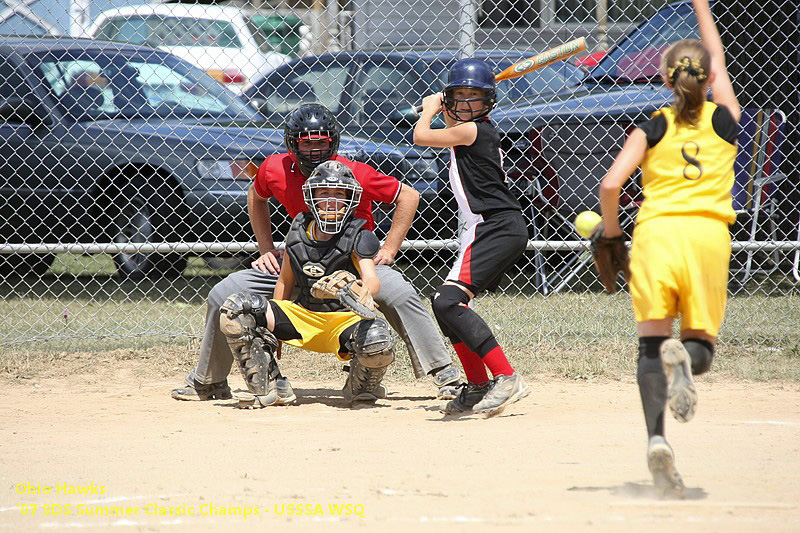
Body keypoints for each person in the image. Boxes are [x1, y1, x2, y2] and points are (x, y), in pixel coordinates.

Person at [172, 103, 461, 402]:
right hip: (299, 262)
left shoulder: (352, 173)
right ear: (291, 143)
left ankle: (444, 374)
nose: (313, 149)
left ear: (332, 141)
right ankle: (209, 382)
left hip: (354, 263)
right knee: (225, 292)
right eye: (305, 142)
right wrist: (266, 249)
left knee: (399, 293)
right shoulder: (275, 167)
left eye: (320, 141)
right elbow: (256, 196)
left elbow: (408, 195)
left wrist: (389, 248)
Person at [597, 0, 740, 498]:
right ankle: (688, 360)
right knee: (697, 344)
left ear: (664, 79)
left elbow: (611, 186)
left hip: (656, 235)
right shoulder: (726, 120)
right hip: (707, 238)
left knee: (649, 346)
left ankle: (658, 438)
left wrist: (612, 235)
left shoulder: (650, 127)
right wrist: (702, 6)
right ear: (706, 80)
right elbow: (717, 61)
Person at [219, 161, 395, 407]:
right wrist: (273, 329)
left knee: (378, 336)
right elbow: (284, 281)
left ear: (350, 199)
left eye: (339, 194)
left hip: (342, 321)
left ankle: (360, 387)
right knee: (237, 309)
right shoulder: (298, 231)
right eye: (324, 193)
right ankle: (271, 386)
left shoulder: (358, 234)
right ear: (312, 197)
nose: (331, 200)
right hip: (302, 316)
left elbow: (372, 280)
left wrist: (359, 289)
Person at [414, 59, 530, 417]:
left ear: (488, 102)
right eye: (459, 97)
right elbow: (453, 129)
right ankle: (478, 385)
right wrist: (445, 110)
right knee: (443, 303)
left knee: (449, 302)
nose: (466, 104)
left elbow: (421, 137)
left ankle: (506, 377)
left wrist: (430, 109)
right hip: (486, 227)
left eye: (474, 97)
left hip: (494, 226)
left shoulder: (474, 130)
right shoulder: (471, 130)